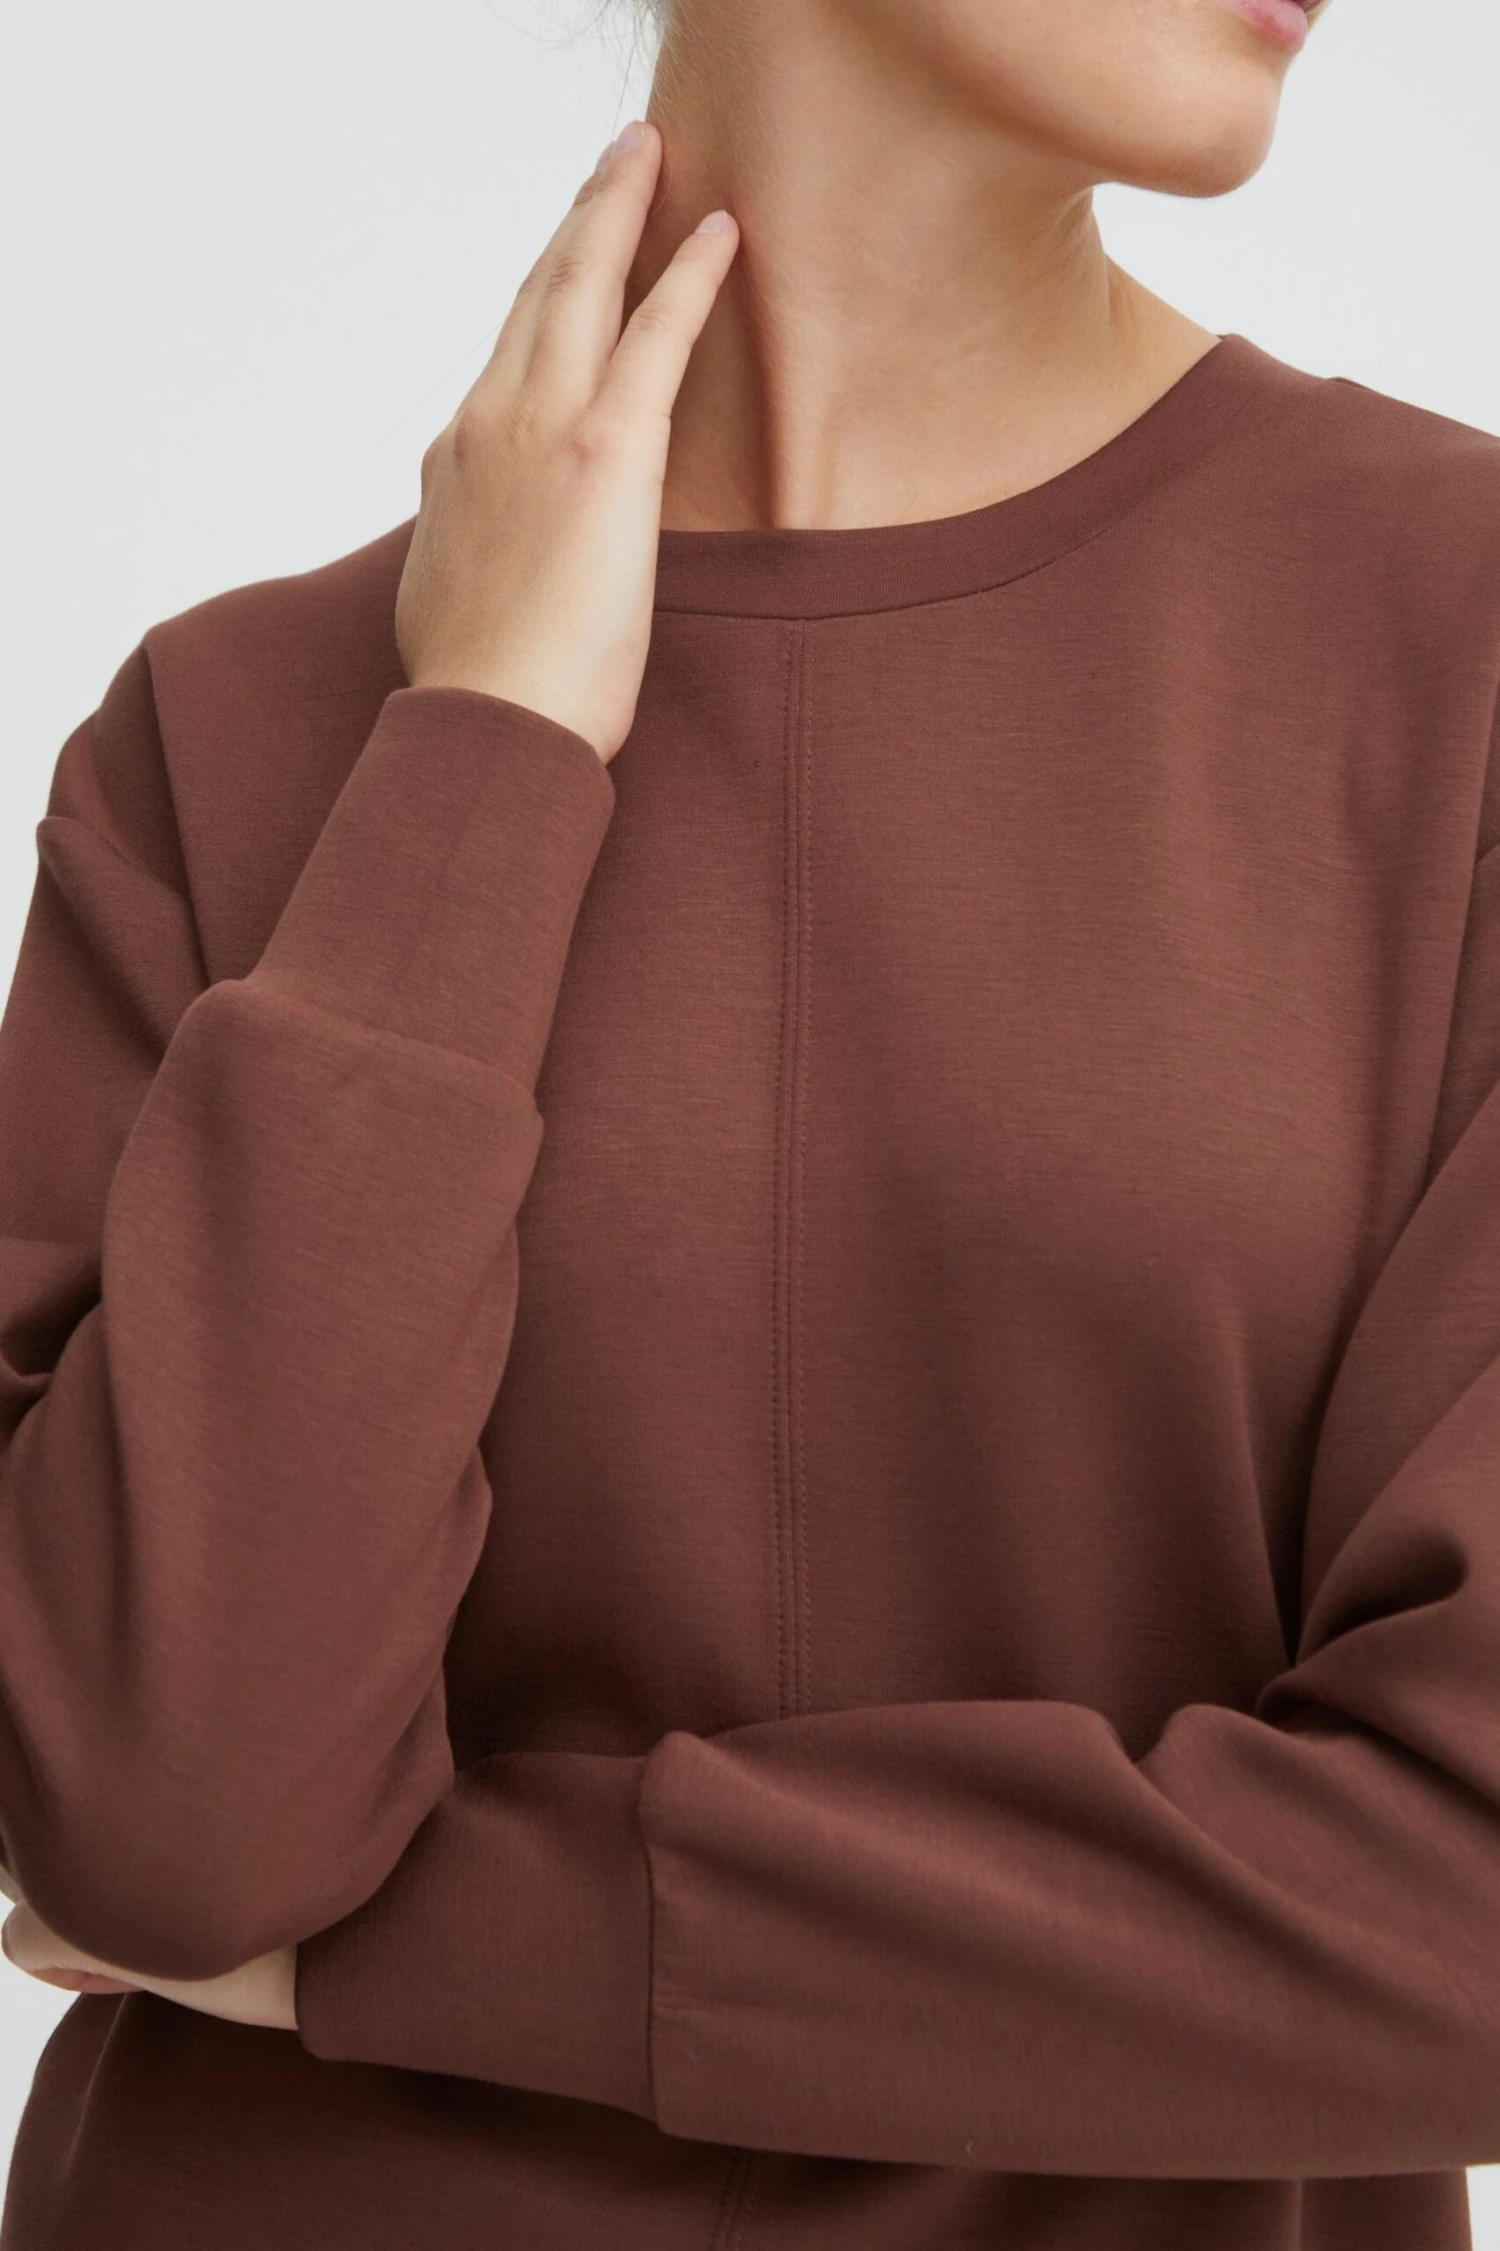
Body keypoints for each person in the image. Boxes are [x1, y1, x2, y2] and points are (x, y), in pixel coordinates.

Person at [2, 0, 1498, 2244]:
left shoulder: (1457, 649)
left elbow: (1467, 1899)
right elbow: (162, 1825)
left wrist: (406, 1955)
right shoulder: (226, 740)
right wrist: (483, 749)